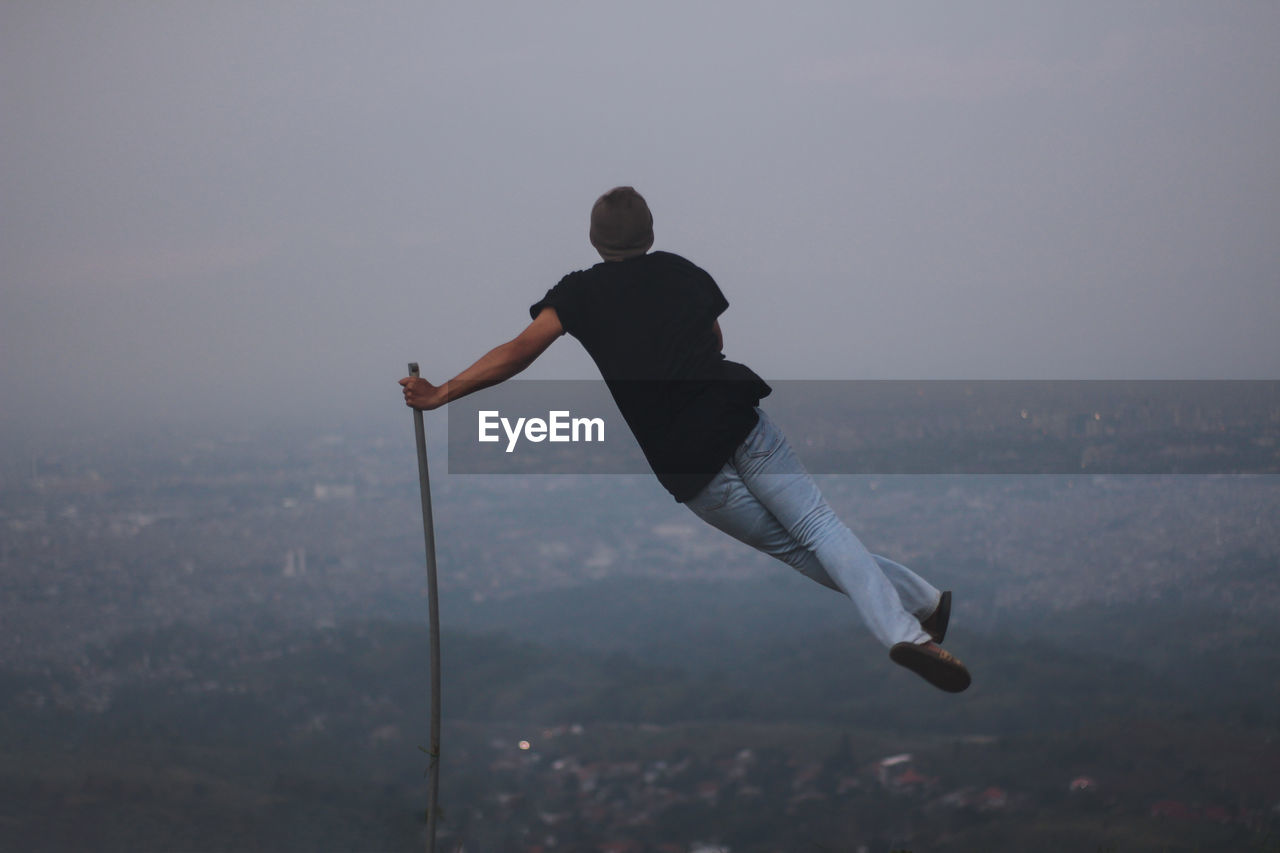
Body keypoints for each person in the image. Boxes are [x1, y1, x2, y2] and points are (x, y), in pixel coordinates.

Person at [400, 187, 971, 693]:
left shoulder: (577, 295)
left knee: (799, 548)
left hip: (685, 462)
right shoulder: (680, 271)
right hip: (734, 420)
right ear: (650, 234)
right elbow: (714, 336)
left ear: (594, 240)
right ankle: (916, 610)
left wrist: (441, 393)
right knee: (820, 528)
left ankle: (914, 623)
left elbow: (517, 354)